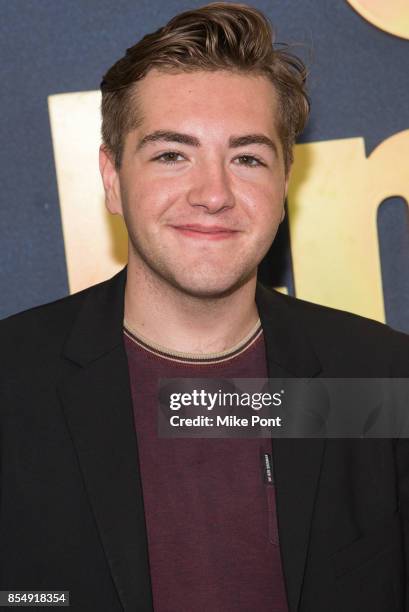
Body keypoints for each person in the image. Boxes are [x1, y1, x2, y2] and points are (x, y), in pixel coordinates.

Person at [1, 2, 409, 611]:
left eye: (247, 157)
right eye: (172, 154)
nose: (213, 194)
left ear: (283, 186)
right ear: (112, 179)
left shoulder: (379, 378)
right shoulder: (12, 382)